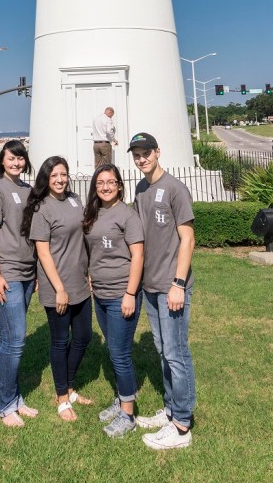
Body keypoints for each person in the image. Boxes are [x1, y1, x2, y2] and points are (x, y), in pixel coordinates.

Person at [130, 132, 196, 450]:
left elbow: (188, 238)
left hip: (171, 286)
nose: (142, 159)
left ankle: (182, 426)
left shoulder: (175, 189)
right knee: (162, 352)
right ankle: (171, 410)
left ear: (158, 152)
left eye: (146, 153)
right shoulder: (141, 189)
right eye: (136, 155)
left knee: (176, 353)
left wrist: (178, 284)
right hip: (150, 285)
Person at [21, 156, 93, 421]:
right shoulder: (42, 209)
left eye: (63, 174)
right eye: (54, 176)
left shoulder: (75, 200)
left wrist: (88, 273)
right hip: (57, 286)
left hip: (80, 281)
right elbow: (43, 252)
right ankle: (62, 397)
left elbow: (83, 238)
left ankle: (69, 385)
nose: (60, 180)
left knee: (84, 336)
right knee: (60, 341)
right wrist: (59, 289)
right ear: (45, 179)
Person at [83, 163, 144, 439]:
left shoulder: (127, 216)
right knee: (114, 350)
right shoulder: (93, 213)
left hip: (122, 293)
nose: (105, 187)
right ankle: (122, 398)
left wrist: (130, 293)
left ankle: (128, 414)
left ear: (119, 185)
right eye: (100, 183)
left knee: (120, 354)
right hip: (101, 294)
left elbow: (138, 256)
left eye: (110, 182)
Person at [0, 140, 38, 428]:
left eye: (20, 158)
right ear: (2, 161)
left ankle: (15, 398)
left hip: (26, 272)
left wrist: (36, 272)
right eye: (11, 158)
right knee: (14, 339)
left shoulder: (28, 190)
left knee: (12, 339)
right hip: (6, 274)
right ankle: (4, 404)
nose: (16, 163)